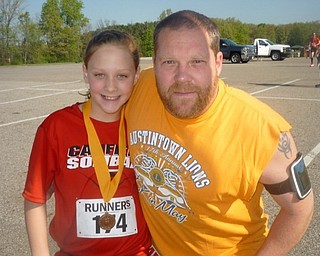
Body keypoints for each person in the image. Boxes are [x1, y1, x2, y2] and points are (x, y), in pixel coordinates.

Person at [125, 10, 314, 255]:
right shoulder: (139, 88)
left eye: (197, 61)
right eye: (169, 62)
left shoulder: (260, 130)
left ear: (218, 63)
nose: (182, 77)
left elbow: (299, 209)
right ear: (155, 62)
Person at [23, 30, 151, 256]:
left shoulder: (144, 125)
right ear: (85, 72)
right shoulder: (57, 127)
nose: (110, 87)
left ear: (137, 75)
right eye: (100, 75)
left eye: (122, 76)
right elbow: (35, 197)